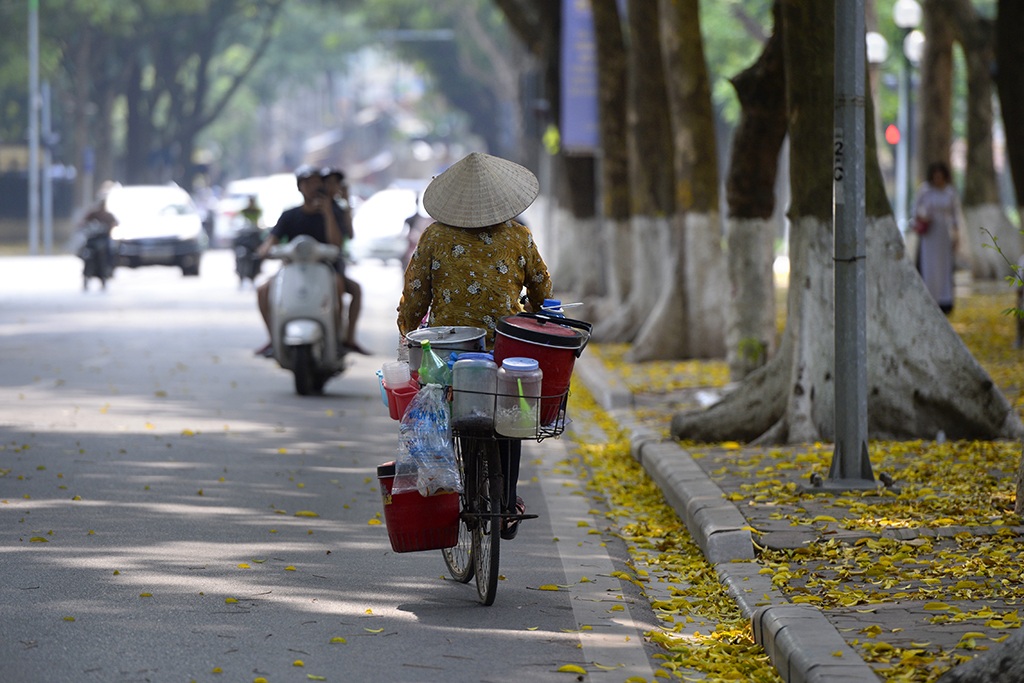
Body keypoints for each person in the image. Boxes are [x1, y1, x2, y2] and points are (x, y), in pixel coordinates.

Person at [396, 152, 553, 540]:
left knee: (456, 410)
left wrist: (406, 328)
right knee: (509, 420)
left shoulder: (434, 236)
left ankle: (457, 487)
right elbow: (541, 290)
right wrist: (536, 313)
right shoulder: (519, 235)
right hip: (505, 348)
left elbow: (415, 296)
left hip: (451, 351)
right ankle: (510, 499)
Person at [254, 165, 346, 358]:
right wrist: (264, 251)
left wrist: (328, 212)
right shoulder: (289, 215)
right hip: (292, 270)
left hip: (323, 269)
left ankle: (335, 338)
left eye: (317, 182)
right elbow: (271, 241)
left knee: (338, 285)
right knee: (263, 290)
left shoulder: (332, 212)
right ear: (299, 187)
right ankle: (274, 339)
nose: (313, 187)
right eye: (308, 183)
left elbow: (336, 244)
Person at [321, 167, 368, 354]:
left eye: (336, 183)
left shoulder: (338, 209)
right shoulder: (313, 207)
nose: (332, 186)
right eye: (329, 182)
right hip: (314, 265)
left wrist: (346, 201)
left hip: (334, 265)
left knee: (353, 289)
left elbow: (348, 235)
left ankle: (347, 338)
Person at [913, 161, 961, 315]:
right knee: (929, 266)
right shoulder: (925, 191)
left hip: (943, 235)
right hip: (929, 236)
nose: (938, 180)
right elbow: (914, 211)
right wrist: (922, 219)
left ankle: (944, 300)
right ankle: (929, 297)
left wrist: (956, 236)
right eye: (935, 177)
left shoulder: (950, 193)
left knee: (944, 267)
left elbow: (955, 217)